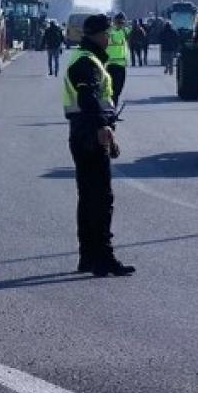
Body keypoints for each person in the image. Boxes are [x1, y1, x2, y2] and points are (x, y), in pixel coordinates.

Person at [63, 14, 135, 277]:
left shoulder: (83, 57)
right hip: (89, 132)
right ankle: (104, 258)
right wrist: (102, 127)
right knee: (102, 199)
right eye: (106, 34)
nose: (109, 38)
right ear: (98, 35)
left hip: (81, 131)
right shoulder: (87, 62)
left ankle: (88, 257)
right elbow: (87, 97)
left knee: (87, 197)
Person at [106, 12, 130, 105]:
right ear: (115, 22)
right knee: (114, 90)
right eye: (119, 22)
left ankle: (112, 107)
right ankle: (111, 108)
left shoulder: (123, 31)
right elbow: (117, 37)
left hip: (121, 65)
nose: (121, 24)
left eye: (122, 22)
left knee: (118, 90)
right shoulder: (112, 32)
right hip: (112, 65)